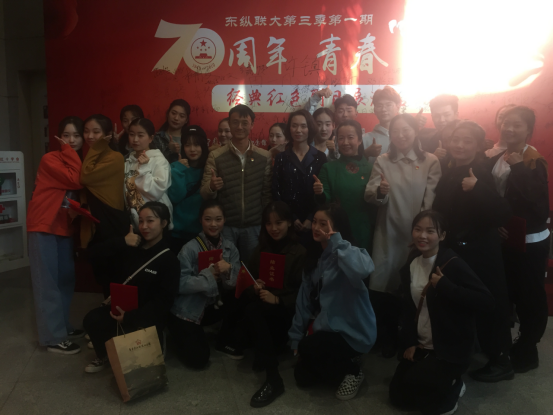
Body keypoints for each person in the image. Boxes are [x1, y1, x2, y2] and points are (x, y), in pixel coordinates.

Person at [432, 120, 514, 382]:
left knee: (491, 301)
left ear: (478, 146)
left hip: (481, 252)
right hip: (458, 250)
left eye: (468, 141)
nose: (460, 145)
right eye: (456, 139)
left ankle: (501, 360)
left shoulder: (479, 171)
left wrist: (477, 188)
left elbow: (502, 213)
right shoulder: (451, 169)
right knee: (463, 301)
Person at [390, 210, 494, 415]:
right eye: (418, 229)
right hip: (423, 344)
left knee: (433, 407)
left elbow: (487, 301)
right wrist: (410, 341)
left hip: (449, 348)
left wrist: (446, 286)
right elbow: (409, 307)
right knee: (398, 397)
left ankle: (455, 385)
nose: (422, 236)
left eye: (430, 231)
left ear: (442, 235)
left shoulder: (452, 263)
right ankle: (437, 381)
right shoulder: (413, 262)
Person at [365, 113, 441, 358]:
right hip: (388, 232)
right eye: (395, 131)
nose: (401, 135)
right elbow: (370, 194)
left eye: (406, 129)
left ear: (415, 131)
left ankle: (411, 338)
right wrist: (381, 191)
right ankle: (387, 337)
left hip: (418, 236)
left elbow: (430, 200)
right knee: (385, 286)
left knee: (414, 287)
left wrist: (422, 234)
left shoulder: (430, 161)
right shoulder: (383, 160)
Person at [289, 203, 376, 401]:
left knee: (309, 349)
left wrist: (336, 241)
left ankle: (353, 371)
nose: (316, 227)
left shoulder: (349, 252)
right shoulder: (314, 257)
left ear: (337, 228)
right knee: (302, 377)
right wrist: (295, 336)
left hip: (354, 331)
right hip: (329, 328)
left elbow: (363, 270)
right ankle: (343, 362)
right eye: (315, 222)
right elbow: (304, 300)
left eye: (324, 224)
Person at [83, 202, 179, 372]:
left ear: (164, 223)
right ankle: (105, 355)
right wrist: (122, 242)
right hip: (123, 309)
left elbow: (164, 302)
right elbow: (91, 255)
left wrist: (130, 317)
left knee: (140, 368)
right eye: (141, 221)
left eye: (150, 221)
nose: (144, 226)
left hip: (147, 317)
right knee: (92, 319)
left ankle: (158, 339)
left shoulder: (169, 259)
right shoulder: (132, 248)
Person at [489, 106, 549, 373]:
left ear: (528, 130)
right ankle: (510, 343)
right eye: (506, 123)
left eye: (517, 125)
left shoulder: (534, 160)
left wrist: (519, 169)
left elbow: (538, 206)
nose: (509, 128)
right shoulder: (498, 156)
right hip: (506, 237)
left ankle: (528, 348)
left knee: (530, 295)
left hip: (530, 241)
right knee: (510, 291)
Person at [230, 202, 306, 408]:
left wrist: (279, 299)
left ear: (289, 222)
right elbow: (248, 279)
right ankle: (267, 355)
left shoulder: (299, 252)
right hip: (263, 311)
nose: (274, 228)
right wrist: (255, 287)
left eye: (279, 223)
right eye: (269, 224)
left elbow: (305, 294)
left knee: (253, 312)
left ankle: (273, 378)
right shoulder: (261, 249)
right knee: (250, 311)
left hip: (286, 314)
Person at [27, 116, 84, 354]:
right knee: (47, 282)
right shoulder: (50, 158)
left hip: (62, 227)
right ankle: (52, 338)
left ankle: (62, 326)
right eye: (66, 136)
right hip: (43, 224)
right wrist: (68, 150)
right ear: (59, 138)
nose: (71, 140)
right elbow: (75, 179)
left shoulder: (78, 160)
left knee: (65, 279)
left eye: (76, 136)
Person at [168, 199, 240, 369]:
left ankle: (223, 340)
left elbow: (235, 283)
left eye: (218, 219)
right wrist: (208, 276)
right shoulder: (189, 248)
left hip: (212, 306)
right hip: (189, 309)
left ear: (224, 220)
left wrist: (229, 270)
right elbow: (179, 284)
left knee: (241, 298)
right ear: (200, 220)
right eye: (208, 219)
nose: (213, 224)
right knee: (199, 360)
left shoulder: (230, 248)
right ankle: (176, 331)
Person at [200, 104, 272, 262]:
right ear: (229, 124)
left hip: (254, 226)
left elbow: (266, 193)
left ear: (252, 125)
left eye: (245, 123)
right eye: (235, 122)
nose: (240, 127)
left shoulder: (264, 156)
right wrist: (211, 187)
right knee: (225, 267)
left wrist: (266, 222)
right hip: (226, 226)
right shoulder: (216, 156)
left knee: (251, 267)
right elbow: (204, 193)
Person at [80, 114, 129, 298]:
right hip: (97, 223)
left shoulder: (115, 157)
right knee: (102, 275)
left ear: (108, 135)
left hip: (111, 222)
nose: (90, 136)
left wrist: (99, 146)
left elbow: (85, 177)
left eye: (96, 132)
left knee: (114, 276)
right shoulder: (92, 157)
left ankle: (116, 312)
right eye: (86, 131)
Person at [313, 120, 376, 253]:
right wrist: (320, 192)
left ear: (359, 140)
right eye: (341, 138)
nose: (345, 142)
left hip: (363, 230)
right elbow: (325, 201)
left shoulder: (372, 169)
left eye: (350, 137)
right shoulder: (328, 168)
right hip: (335, 230)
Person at [272, 110, 327, 245]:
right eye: (294, 126)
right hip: (287, 221)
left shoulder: (320, 157)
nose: (298, 130)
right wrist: (291, 217)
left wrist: (311, 218)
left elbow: (324, 193)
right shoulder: (281, 158)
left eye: (303, 126)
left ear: (310, 128)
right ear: (289, 129)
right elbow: (276, 190)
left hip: (314, 221)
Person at [124, 118, 173, 230]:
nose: (135, 139)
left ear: (151, 138)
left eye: (140, 135)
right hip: (135, 223)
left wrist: (144, 168)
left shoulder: (158, 160)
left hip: (156, 222)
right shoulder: (128, 162)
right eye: (131, 134)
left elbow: (155, 192)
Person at [168, 125, 208, 254]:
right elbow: (175, 197)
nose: (192, 149)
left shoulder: (208, 169)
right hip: (176, 233)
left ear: (203, 146)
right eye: (187, 145)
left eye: (196, 145)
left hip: (200, 233)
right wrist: (179, 170)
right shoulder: (175, 167)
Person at [362, 86, 401, 163]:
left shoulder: (406, 136)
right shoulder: (364, 139)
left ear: (398, 107)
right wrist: (366, 154)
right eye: (379, 106)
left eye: (388, 105)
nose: (384, 109)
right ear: (374, 110)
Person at [417, 94, 460, 159]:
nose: (441, 120)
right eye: (437, 116)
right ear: (432, 117)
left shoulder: (469, 139)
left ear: (456, 115)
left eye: (447, 115)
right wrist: (413, 124)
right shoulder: (424, 138)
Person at [153, 99, 191, 163]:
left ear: (186, 120)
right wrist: (169, 150)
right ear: (168, 114)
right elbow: (155, 163)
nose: (176, 118)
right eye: (173, 113)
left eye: (182, 116)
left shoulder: (190, 140)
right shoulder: (158, 138)